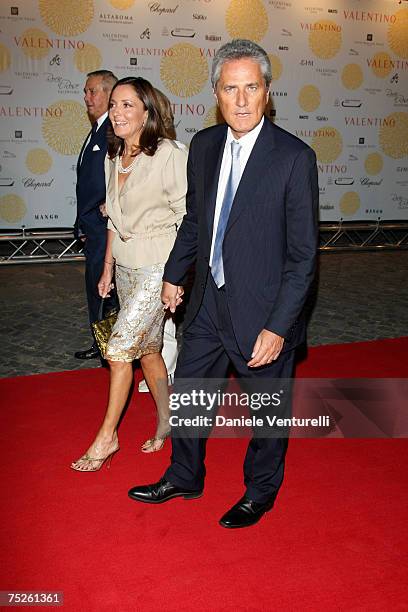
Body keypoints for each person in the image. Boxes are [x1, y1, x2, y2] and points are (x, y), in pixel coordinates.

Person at [127, 39, 319, 528]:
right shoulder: (206, 146)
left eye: (250, 88)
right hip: (209, 301)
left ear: (267, 92)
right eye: (230, 88)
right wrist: (175, 275)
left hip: (264, 310)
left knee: (267, 413)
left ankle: (260, 491)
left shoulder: (294, 158)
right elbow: (196, 220)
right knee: (191, 391)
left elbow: (302, 258)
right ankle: (185, 474)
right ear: (216, 92)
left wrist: (279, 326)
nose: (240, 100)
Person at [71, 77, 188, 471]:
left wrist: (177, 276)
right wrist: (107, 267)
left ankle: (107, 437)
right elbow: (113, 217)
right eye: (115, 105)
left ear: (146, 113)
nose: (117, 113)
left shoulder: (170, 154)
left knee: (119, 349)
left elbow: (189, 219)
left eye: (127, 106)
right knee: (150, 350)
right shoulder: (113, 154)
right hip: (125, 266)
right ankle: (168, 421)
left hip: (159, 266)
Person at [74, 70, 119, 360]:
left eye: (93, 91)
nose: (87, 97)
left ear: (108, 94)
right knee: (99, 285)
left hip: (105, 227)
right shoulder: (97, 129)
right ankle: (105, 343)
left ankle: (108, 346)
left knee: (104, 287)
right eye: (86, 92)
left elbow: (118, 174)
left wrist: (108, 203)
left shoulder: (112, 132)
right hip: (93, 225)